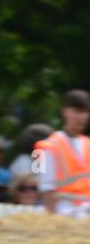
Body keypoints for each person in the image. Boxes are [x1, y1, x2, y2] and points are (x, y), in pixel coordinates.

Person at [34, 89, 90, 217]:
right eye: (77, 111)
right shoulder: (44, 147)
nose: (82, 117)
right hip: (63, 212)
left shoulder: (88, 144)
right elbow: (44, 189)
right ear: (65, 112)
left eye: (85, 112)